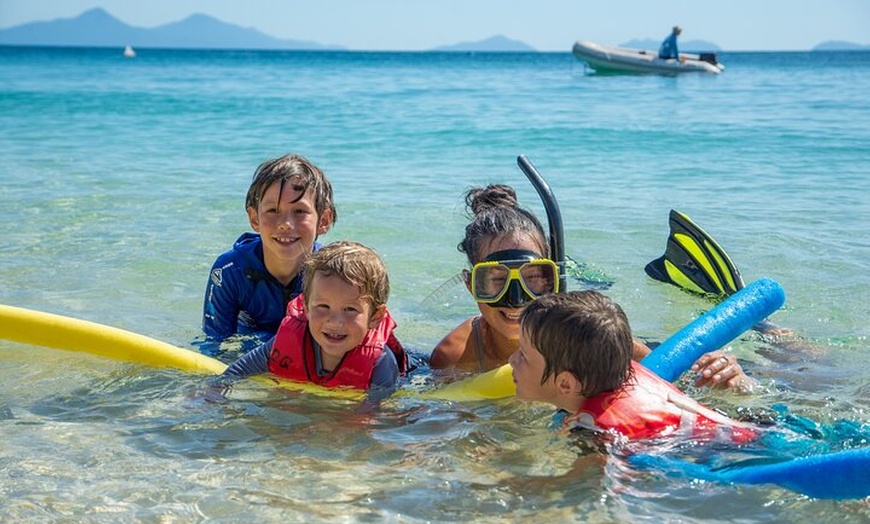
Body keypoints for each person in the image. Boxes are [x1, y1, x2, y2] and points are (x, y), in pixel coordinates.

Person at [429, 184, 752, 391]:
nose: (516, 299)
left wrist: (725, 375)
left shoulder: (582, 331)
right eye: (496, 281)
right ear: (472, 285)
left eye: (534, 278)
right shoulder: (455, 357)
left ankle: (764, 328)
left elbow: (673, 375)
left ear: (554, 278)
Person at [509, 290, 759, 441]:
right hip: (753, 428)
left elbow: (580, 489)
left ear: (565, 383)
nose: (511, 360)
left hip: (729, 453)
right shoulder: (619, 372)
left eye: (523, 355)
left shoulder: (593, 433)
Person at [212, 241, 408, 395]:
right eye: (323, 306)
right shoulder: (288, 340)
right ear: (305, 307)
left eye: (349, 309)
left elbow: (373, 416)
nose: (334, 321)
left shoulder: (380, 363)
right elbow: (237, 372)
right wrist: (211, 396)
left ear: (375, 317)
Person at [201, 153, 336, 349]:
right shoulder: (230, 270)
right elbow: (213, 344)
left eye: (299, 211)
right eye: (273, 211)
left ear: (323, 220)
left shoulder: (330, 274)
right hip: (248, 350)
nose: (285, 224)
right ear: (254, 218)